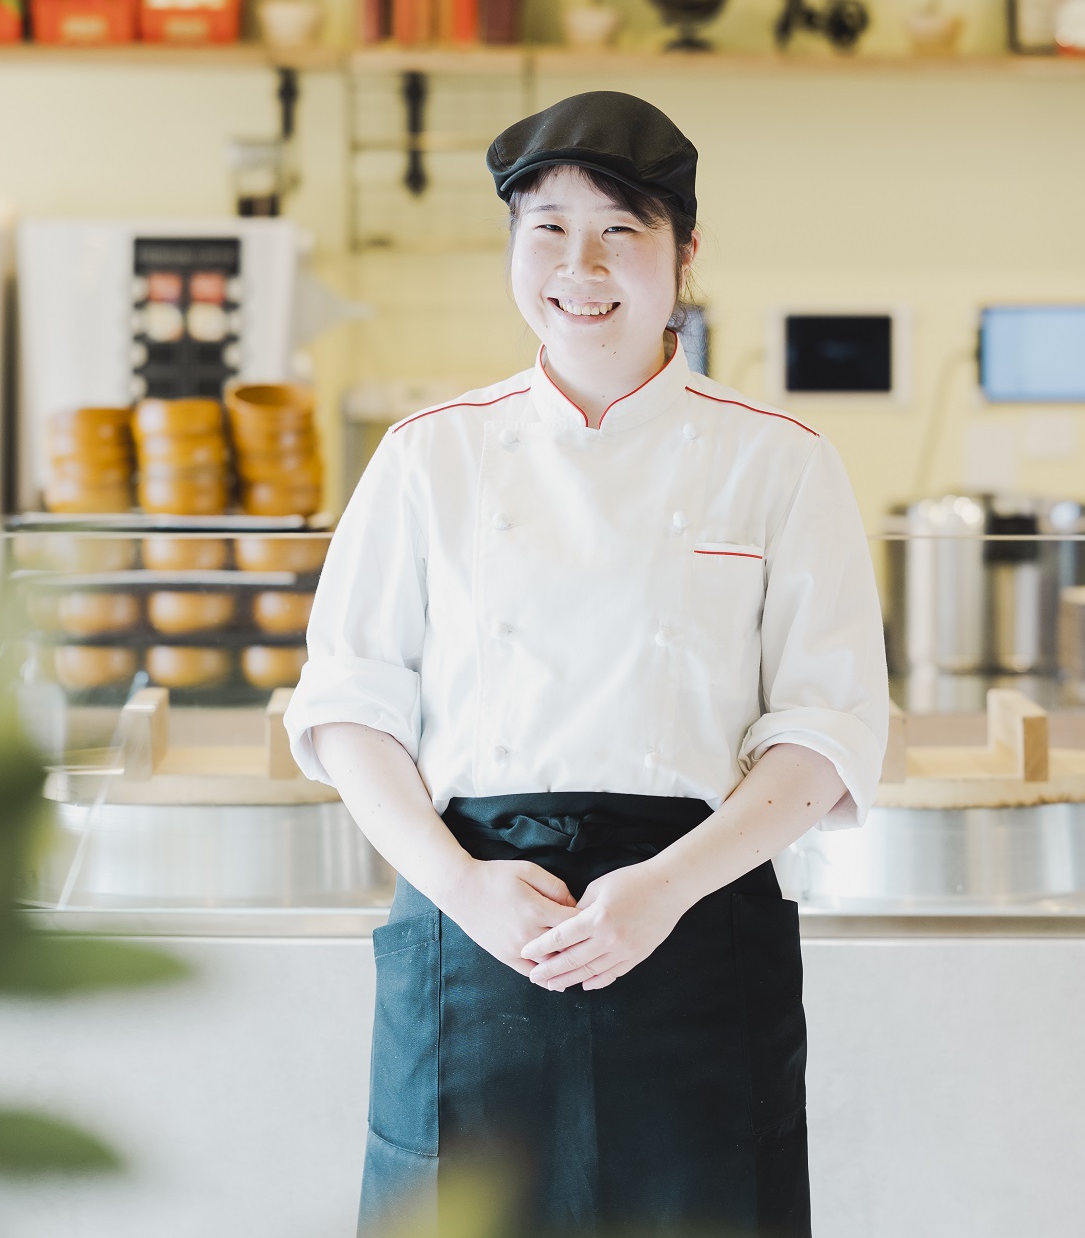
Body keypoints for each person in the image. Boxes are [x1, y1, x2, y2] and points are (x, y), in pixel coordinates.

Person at [285, 90, 888, 1237]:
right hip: (476, 922)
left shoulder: (779, 462)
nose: (581, 267)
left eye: (620, 230)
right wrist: (462, 887)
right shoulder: (427, 455)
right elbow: (349, 707)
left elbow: (827, 728)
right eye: (548, 230)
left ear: (684, 252)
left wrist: (663, 887)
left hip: (692, 917)